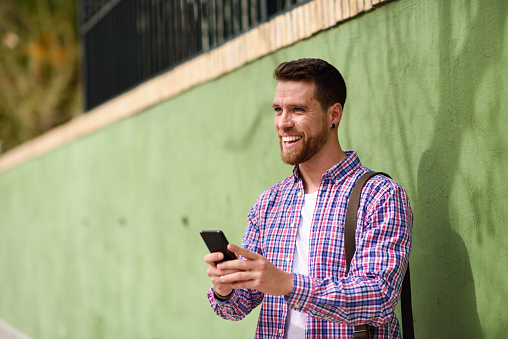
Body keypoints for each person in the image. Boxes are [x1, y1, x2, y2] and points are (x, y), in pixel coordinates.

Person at [204, 58, 413, 338]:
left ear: (333, 115)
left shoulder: (379, 195)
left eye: (298, 110)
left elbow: (379, 298)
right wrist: (225, 288)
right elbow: (239, 306)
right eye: (278, 110)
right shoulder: (269, 203)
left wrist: (288, 285)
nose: (283, 122)